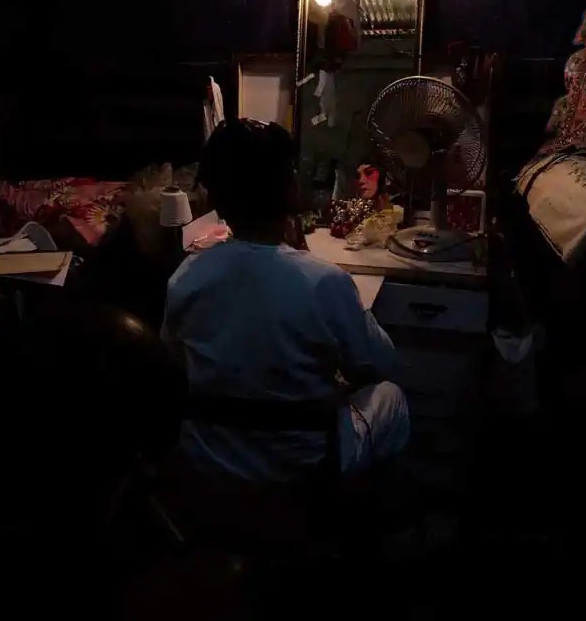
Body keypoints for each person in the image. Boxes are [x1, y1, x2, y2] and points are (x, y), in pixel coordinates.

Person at [161, 119, 409, 483]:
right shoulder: (325, 282)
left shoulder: (186, 277)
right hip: (303, 466)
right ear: (291, 190)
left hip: (211, 459)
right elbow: (379, 364)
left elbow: (175, 363)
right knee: (391, 395)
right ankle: (363, 507)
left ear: (215, 199)